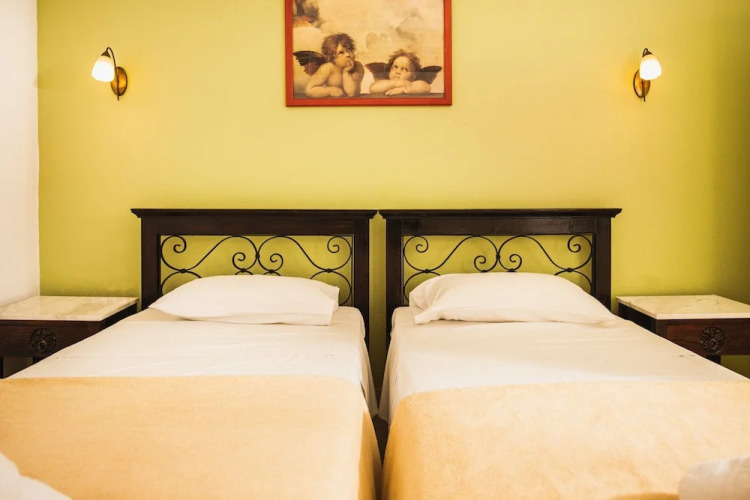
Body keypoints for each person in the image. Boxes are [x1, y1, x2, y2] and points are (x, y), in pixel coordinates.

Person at [304, 33, 364, 98]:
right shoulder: (327, 68)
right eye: (341, 53)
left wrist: (346, 72)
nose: (348, 54)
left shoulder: (357, 66)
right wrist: (329, 91)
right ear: (332, 57)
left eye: (349, 50)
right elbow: (309, 90)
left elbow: (352, 93)